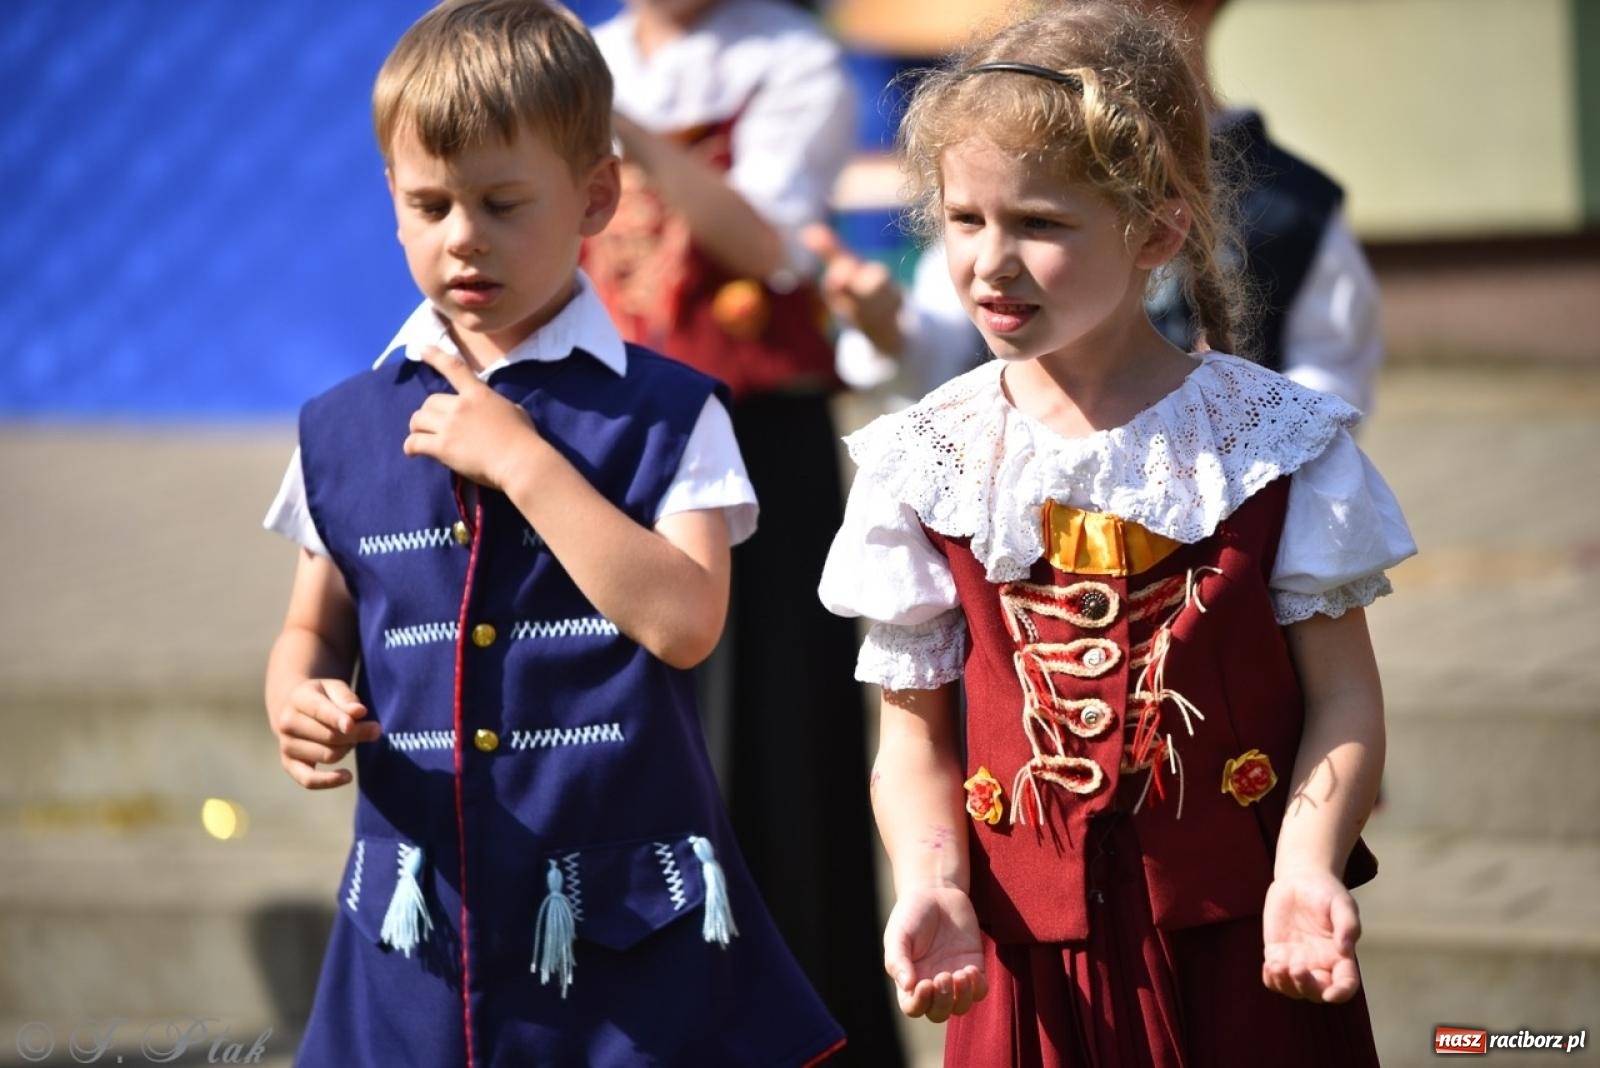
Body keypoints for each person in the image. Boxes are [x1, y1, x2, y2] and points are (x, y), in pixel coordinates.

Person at [817, 2, 1416, 1064]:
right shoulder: (928, 464)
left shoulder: (1267, 443)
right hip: (1026, 965)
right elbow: (911, 739)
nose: (990, 263)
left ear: (1157, 227)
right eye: (965, 220)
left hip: (1242, 938)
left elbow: (1342, 696)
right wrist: (932, 882)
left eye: (1040, 224)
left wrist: (1307, 863)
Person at [260, 2, 842, 1063]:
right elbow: (313, 628)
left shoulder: (675, 414)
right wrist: (296, 699)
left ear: (596, 196)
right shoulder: (338, 429)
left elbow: (685, 621)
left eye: (502, 202)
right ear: (390, 200)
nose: (463, 236)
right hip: (416, 950)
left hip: (627, 957)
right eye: (430, 204)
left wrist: (524, 462)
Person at [585, 3, 908, 1064]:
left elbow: (762, 247)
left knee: (766, 753)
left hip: (751, 443)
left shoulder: (790, 59)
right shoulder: (587, 57)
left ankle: (795, 1031)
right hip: (601, 445)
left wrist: (624, 132)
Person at [812, 0, 1384, 416]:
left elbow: (1331, 384)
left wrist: (1230, 423)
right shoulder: (1012, 160)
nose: (1076, 15)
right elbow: (948, 343)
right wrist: (889, 330)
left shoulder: (1295, 204)